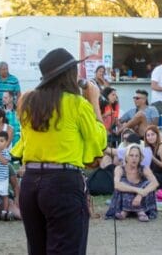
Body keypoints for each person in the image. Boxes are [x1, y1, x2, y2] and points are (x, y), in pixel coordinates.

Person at [13, 48, 107, 255]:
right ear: (70, 75)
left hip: (30, 182)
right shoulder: (77, 104)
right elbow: (98, 141)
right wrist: (95, 102)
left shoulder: (27, 102)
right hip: (63, 182)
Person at [106, 144, 157, 221]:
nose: (134, 158)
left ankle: (126, 211)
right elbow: (117, 185)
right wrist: (137, 190)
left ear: (140, 158)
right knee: (123, 183)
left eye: (137, 156)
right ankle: (139, 211)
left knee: (147, 184)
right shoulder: (119, 168)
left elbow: (155, 183)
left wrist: (140, 194)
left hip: (140, 200)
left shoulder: (144, 168)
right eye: (131, 155)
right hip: (125, 198)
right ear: (126, 157)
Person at [143, 126, 162, 190]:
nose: (150, 137)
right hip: (155, 175)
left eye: (152, 134)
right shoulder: (149, 148)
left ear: (157, 135)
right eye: (148, 135)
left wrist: (152, 157)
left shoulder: (161, 146)